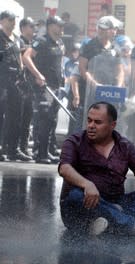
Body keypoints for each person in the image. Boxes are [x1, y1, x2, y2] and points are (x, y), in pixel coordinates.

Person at [58, 101, 135, 237]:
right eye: (89, 121)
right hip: (82, 207)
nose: (91, 126)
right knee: (75, 196)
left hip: (116, 202)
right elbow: (64, 168)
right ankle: (134, 227)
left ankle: (108, 223)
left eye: (98, 122)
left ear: (113, 125)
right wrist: (87, 184)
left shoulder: (124, 146)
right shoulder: (75, 141)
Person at [22, 15, 66, 164]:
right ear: (51, 26)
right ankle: (40, 153)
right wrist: (38, 74)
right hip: (44, 87)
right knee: (45, 118)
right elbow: (26, 57)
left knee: (52, 120)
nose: (61, 29)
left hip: (56, 87)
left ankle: (46, 151)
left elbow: (59, 64)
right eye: (59, 26)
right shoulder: (41, 41)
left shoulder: (59, 42)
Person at [0, 10, 31, 162]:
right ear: (2, 20)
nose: (13, 22)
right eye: (10, 19)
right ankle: (1, 148)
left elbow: (20, 57)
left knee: (15, 118)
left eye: (14, 19)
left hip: (16, 83)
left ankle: (13, 149)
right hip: (2, 82)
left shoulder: (17, 39)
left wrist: (22, 73)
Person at [18, 17, 37, 158]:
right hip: (21, 86)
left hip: (31, 86)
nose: (33, 29)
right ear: (23, 27)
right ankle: (15, 147)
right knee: (20, 118)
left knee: (27, 119)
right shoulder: (18, 42)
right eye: (31, 26)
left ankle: (24, 147)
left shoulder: (32, 43)